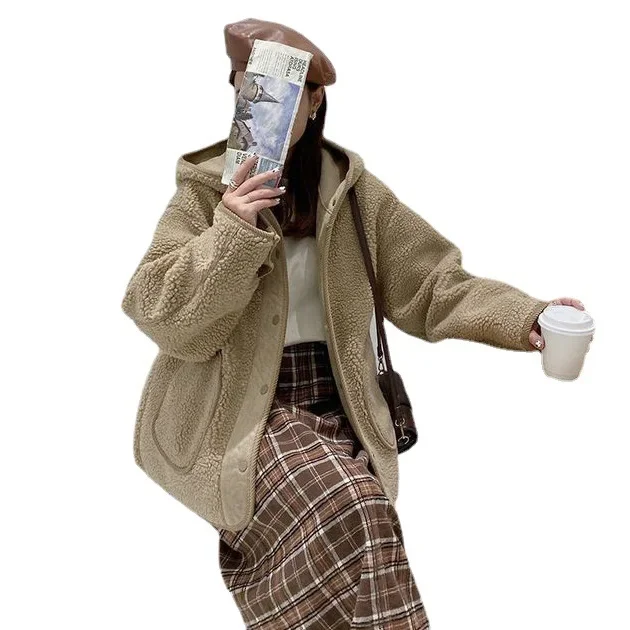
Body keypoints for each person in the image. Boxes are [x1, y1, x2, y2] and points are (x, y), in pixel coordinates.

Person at [120, 17, 586, 630]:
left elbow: (434, 284)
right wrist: (232, 229)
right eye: (246, 87)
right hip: (240, 412)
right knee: (353, 506)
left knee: (363, 524)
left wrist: (527, 316)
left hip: (339, 403)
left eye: (281, 90)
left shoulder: (354, 196)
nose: (261, 104)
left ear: (314, 101)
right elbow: (157, 311)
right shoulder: (205, 194)